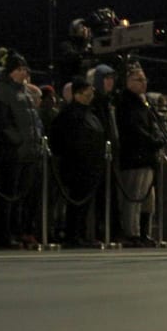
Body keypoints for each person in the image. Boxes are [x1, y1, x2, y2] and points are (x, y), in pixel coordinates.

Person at [0, 51, 42, 248]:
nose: (24, 72)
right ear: (11, 71)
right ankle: (5, 235)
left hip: (28, 152)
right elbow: (1, 122)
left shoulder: (24, 91)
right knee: (9, 196)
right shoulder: (2, 92)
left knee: (23, 196)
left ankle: (19, 232)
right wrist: (16, 141)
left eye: (25, 69)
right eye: (19, 69)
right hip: (13, 153)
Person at [49, 76, 106, 246]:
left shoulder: (89, 113)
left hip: (91, 164)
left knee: (85, 203)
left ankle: (81, 233)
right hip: (76, 165)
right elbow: (60, 139)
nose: (91, 96)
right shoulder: (69, 114)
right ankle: (73, 234)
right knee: (76, 202)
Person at [115, 64, 166, 246]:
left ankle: (145, 232)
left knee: (147, 198)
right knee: (134, 196)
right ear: (128, 82)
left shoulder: (143, 103)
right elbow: (133, 129)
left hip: (146, 156)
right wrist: (153, 140)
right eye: (139, 79)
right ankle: (132, 232)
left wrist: (158, 137)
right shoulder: (126, 103)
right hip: (135, 156)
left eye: (144, 79)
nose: (144, 83)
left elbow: (152, 125)